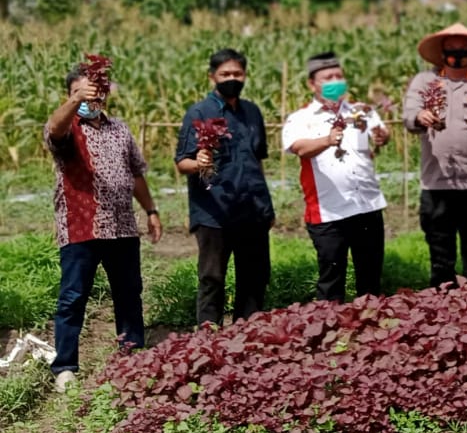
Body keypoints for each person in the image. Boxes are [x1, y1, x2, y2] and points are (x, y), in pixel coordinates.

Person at [44, 63, 163, 392]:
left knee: (128, 294)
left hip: (123, 227)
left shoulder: (120, 129)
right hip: (81, 228)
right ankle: (65, 367)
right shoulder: (68, 129)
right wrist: (73, 102)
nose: (89, 98)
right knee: (73, 297)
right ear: (71, 95)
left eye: (94, 92)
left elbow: (136, 173)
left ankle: (132, 356)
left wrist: (151, 210)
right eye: (80, 93)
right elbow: (53, 129)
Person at [402, 23, 467, 287]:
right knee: (440, 247)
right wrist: (420, 115)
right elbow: (408, 115)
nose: (458, 53)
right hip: (436, 179)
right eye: (452, 49)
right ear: (442, 52)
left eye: (464, 49)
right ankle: (442, 299)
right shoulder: (425, 81)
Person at [176, 49, 275, 327]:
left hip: (252, 211)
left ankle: (247, 336)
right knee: (212, 278)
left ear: (245, 76)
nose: (232, 78)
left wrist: (267, 207)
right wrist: (200, 163)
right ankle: (209, 342)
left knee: (255, 276)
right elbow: (182, 162)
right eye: (225, 74)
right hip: (214, 213)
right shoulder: (199, 113)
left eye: (237, 74)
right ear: (212, 77)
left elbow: (257, 163)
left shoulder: (252, 112)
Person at [283, 51, 391, 302]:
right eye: (327, 77)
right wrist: (327, 140)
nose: (335, 81)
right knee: (331, 280)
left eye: (339, 76)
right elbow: (299, 148)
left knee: (371, 277)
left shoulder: (361, 111)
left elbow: (381, 135)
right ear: (312, 83)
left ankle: (372, 329)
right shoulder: (301, 118)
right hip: (329, 212)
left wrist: (383, 138)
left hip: (367, 206)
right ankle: (330, 332)